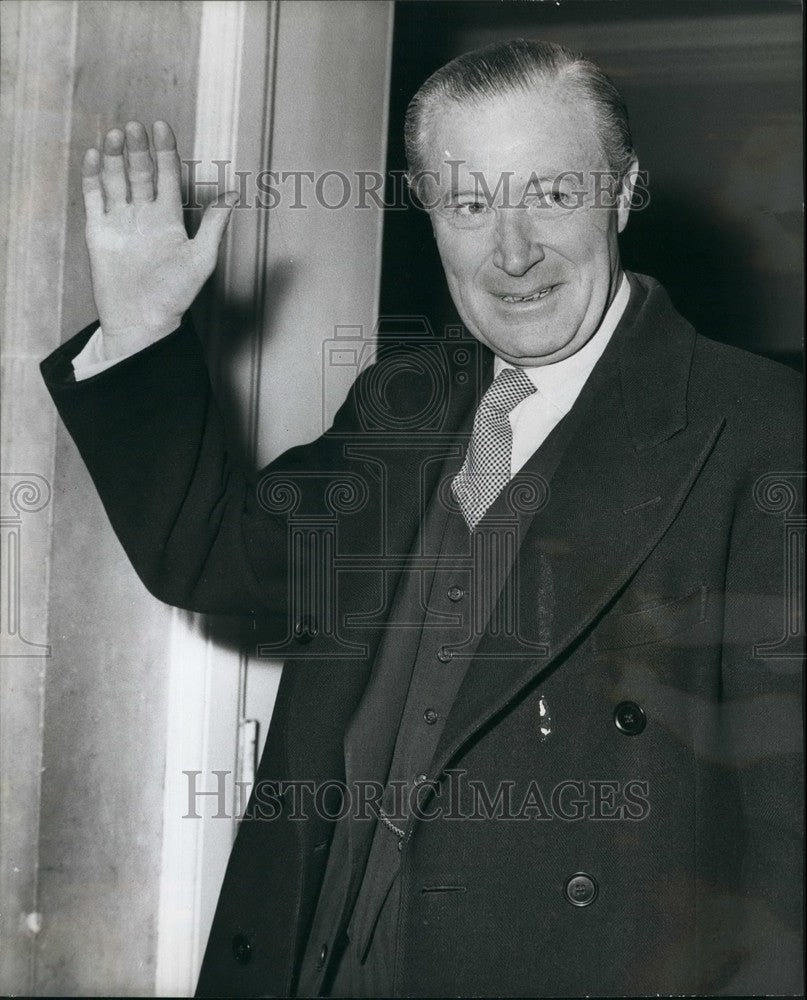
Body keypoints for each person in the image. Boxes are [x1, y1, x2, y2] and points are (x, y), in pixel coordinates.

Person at [41, 39, 802, 998]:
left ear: (621, 192)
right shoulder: (409, 396)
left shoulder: (761, 431)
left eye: (552, 193)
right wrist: (142, 330)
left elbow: (787, 850)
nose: (512, 252)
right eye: (469, 205)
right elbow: (216, 555)